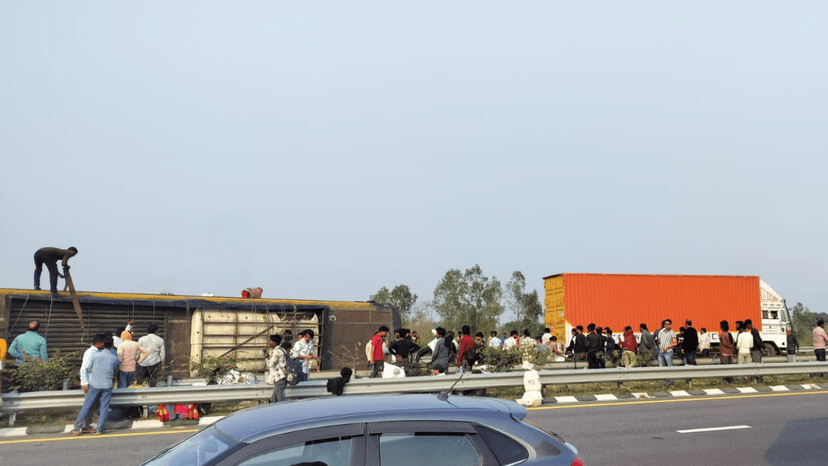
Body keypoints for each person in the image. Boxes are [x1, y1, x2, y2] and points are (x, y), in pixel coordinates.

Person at [71, 334, 120, 435]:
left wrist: (85, 382)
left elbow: (87, 368)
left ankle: (77, 428)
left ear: (103, 344)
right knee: (104, 407)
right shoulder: (114, 357)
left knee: (87, 406)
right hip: (107, 385)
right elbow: (115, 368)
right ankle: (100, 429)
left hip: (95, 384)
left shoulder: (96, 355)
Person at [267, 334, 287, 403]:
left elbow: (270, 364)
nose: (269, 342)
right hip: (280, 377)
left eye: (270, 341)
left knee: (280, 399)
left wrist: (266, 358)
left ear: (274, 342)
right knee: (274, 399)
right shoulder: (282, 350)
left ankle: (281, 409)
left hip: (280, 377)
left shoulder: (277, 352)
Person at [657, 319, 677, 384]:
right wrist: (659, 342)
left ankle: (672, 381)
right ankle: (664, 381)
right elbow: (659, 339)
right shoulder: (661, 331)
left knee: (669, 367)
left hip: (668, 352)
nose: (667, 325)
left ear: (670, 325)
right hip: (661, 352)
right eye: (665, 324)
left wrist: (667, 347)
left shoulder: (671, 333)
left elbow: (675, 343)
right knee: (662, 367)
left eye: (668, 324)